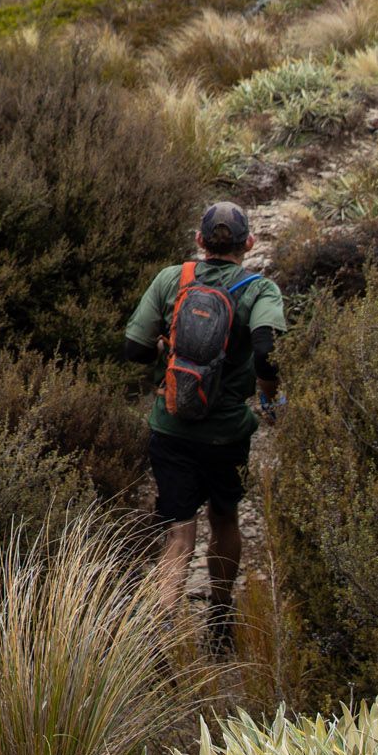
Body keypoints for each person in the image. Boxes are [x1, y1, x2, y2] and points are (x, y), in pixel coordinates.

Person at [122, 200, 285, 653]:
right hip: (227, 434)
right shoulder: (261, 290)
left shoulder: (172, 278)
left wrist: (163, 350)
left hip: (170, 428)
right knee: (226, 516)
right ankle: (218, 617)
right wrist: (270, 398)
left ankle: (156, 632)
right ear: (248, 243)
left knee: (179, 535)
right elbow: (267, 354)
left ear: (199, 241)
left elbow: (134, 348)